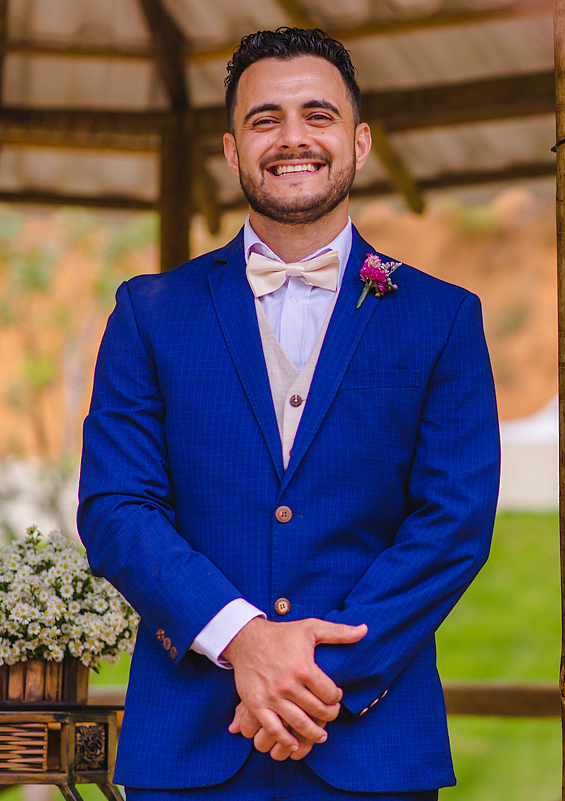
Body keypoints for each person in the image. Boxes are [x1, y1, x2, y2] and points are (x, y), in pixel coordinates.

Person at [78, 27, 500, 800]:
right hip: (190, 746)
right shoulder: (148, 313)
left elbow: (454, 521)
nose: (293, 137)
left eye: (318, 114)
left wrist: (313, 679)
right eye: (265, 119)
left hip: (371, 745)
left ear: (359, 140)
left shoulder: (441, 317)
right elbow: (116, 508)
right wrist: (241, 638)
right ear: (234, 149)